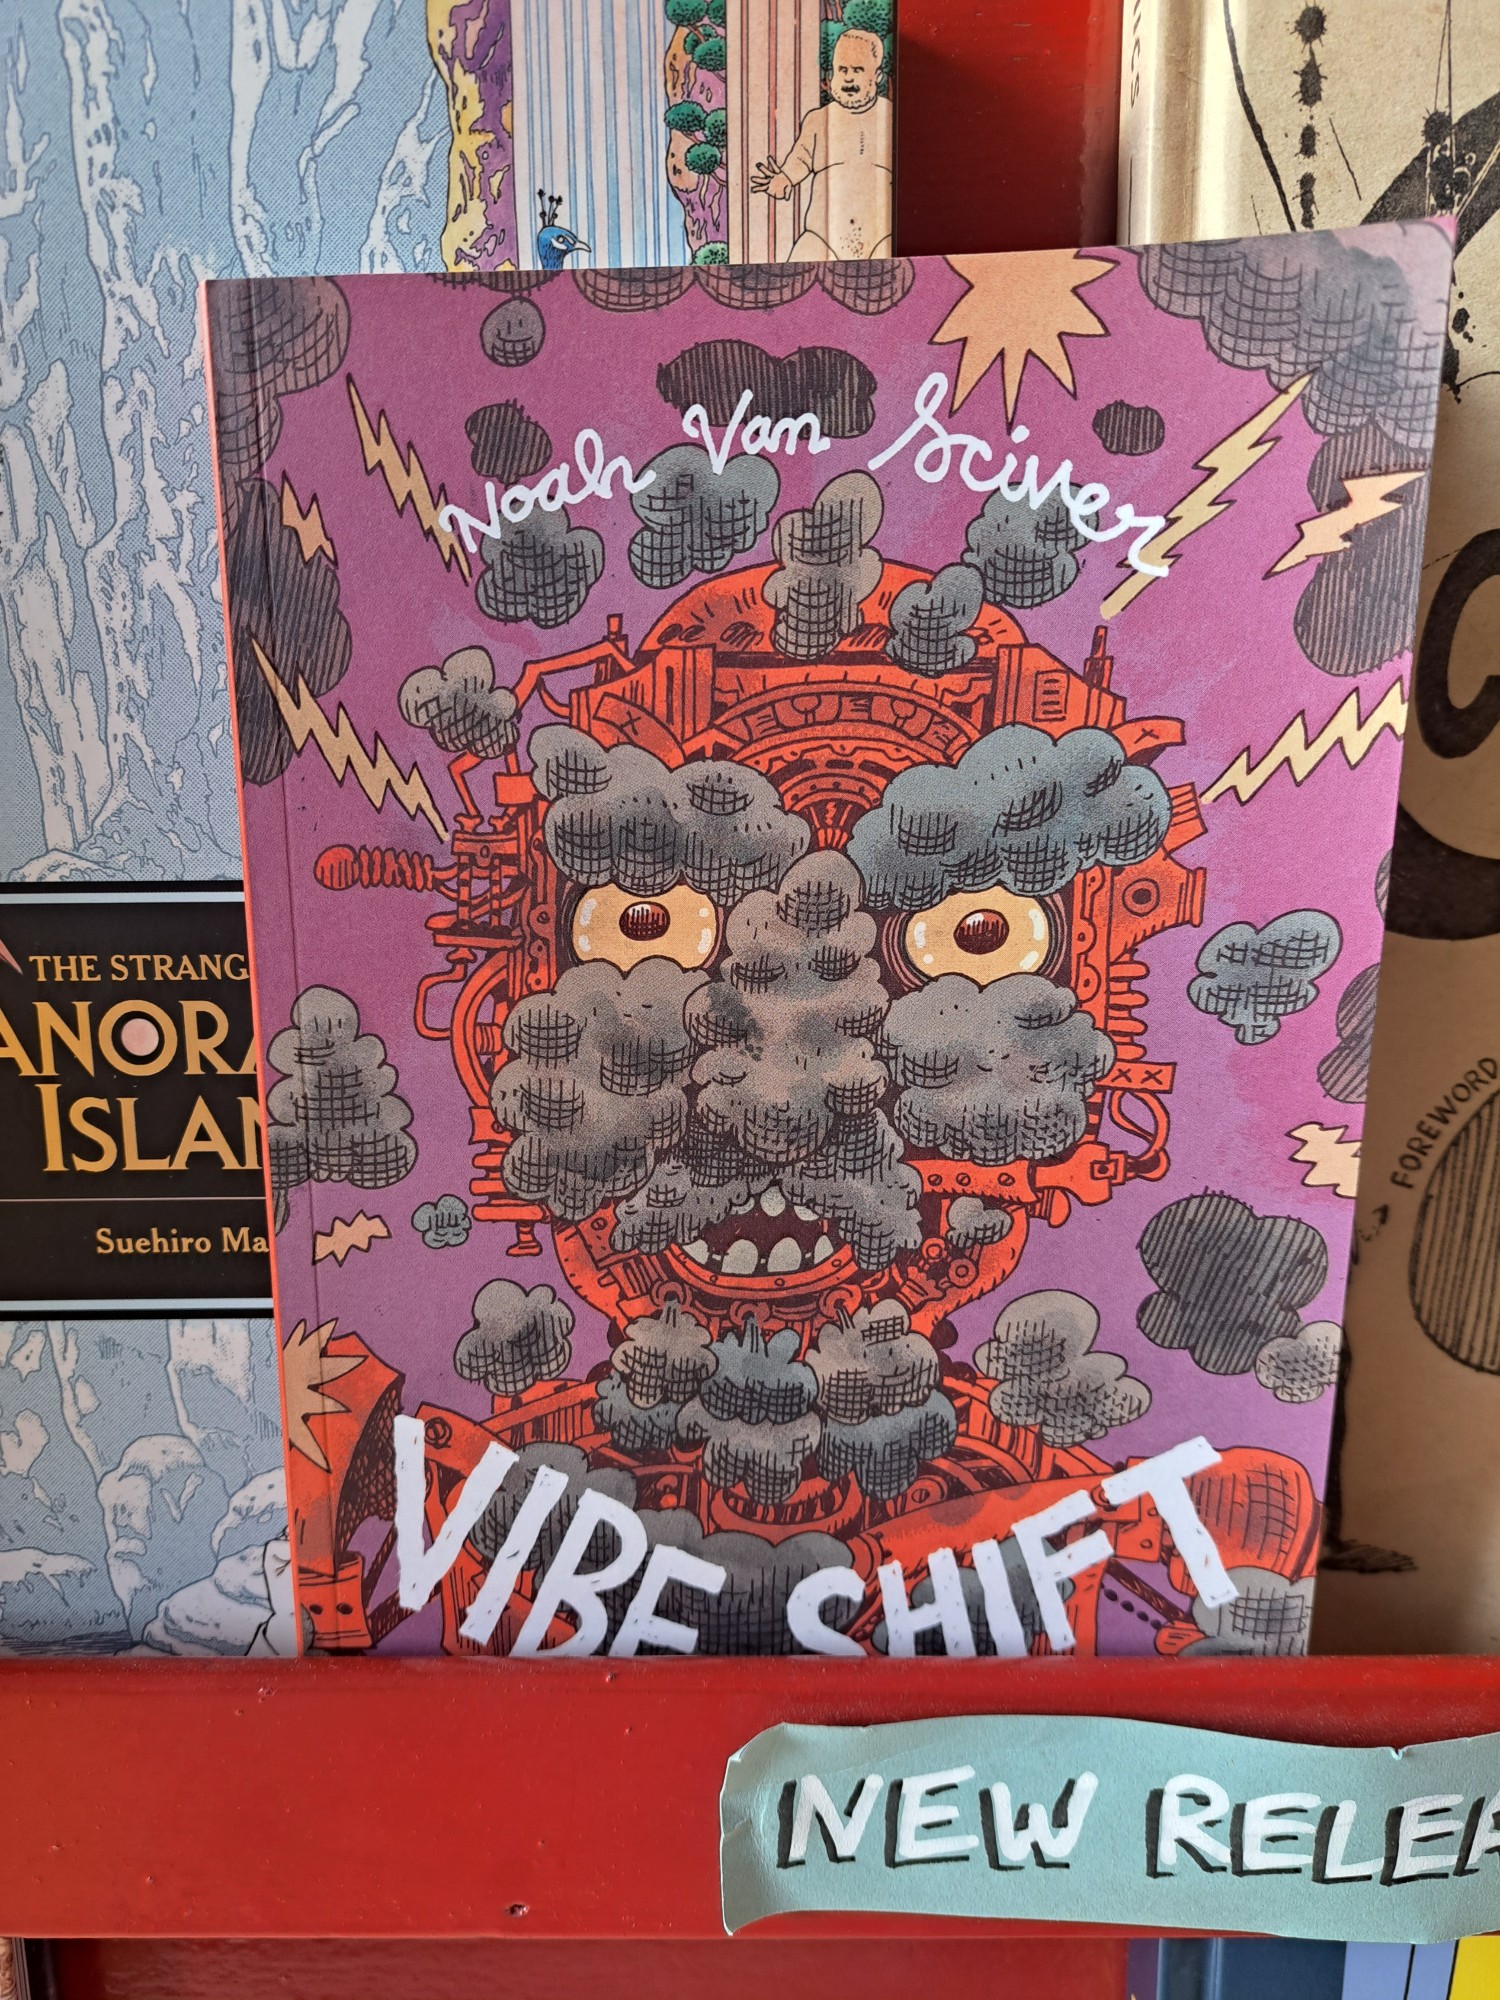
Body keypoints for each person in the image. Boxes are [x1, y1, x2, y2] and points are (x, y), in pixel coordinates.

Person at [749, 27, 893, 261]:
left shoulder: (890, 116)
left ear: (877, 76)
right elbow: (800, 158)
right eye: (842, 69)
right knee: (794, 275)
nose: (848, 77)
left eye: (858, 70)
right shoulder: (818, 119)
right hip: (821, 237)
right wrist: (784, 179)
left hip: (880, 238)